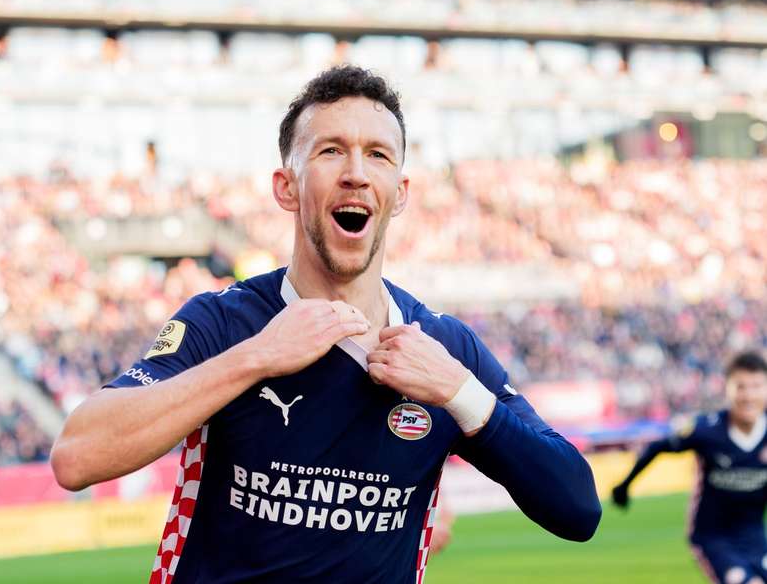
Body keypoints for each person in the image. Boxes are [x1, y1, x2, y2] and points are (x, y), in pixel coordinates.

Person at [52, 65, 601, 583]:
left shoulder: (442, 349)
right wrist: (258, 357)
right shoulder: (225, 322)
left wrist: (460, 394)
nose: (357, 174)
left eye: (378, 155)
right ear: (286, 186)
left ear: (400, 194)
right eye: (331, 151)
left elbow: (578, 510)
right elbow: (77, 457)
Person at [612, 351, 767, 584]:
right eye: (741, 387)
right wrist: (625, 485)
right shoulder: (706, 430)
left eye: (756, 386)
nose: (749, 395)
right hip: (713, 537)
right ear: (727, 388)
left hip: (754, 535)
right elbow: (657, 447)